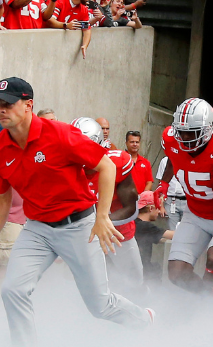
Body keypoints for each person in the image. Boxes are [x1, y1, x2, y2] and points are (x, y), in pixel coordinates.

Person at [0, 77, 153, 346]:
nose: (2, 109)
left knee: (99, 304)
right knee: (12, 290)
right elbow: (2, 197)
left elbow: (107, 166)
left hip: (79, 225)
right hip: (37, 228)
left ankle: (146, 322)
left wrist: (103, 216)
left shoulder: (60, 134)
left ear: (28, 105)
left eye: (9, 104)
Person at [155, 98, 213, 296]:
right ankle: (210, 297)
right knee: (176, 272)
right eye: (181, 131)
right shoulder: (171, 139)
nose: (185, 137)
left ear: (208, 129)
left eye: (192, 132)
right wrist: (163, 184)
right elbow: (174, 158)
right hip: (194, 214)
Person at [72, 117, 144, 294]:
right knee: (84, 285)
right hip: (82, 234)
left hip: (118, 234)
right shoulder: (66, 166)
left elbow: (130, 207)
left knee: (135, 284)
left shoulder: (117, 163)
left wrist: (101, 223)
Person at [132, 191, 173, 283]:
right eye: (158, 208)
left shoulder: (133, 223)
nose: (159, 212)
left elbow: (155, 236)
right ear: (151, 208)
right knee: (155, 269)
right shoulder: (146, 227)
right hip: (143, 270)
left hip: (130, 268)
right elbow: (173, 235)